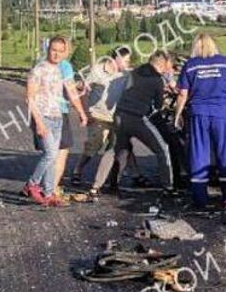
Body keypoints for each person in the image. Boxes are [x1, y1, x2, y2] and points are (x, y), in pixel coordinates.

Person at [174, 34, 226, 210]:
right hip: (222, 113)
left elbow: (183, 93)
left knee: (199, 154)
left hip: (199, 113)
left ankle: (200, 199)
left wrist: (177, 115)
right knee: (225, 154)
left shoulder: (190, 65)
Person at [89, 49, 176, 198]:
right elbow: (159, 105)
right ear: (162, 64)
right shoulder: (157, 80)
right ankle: (168, 186)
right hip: (137, 118)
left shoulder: (135, 71)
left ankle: (96, 186)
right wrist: (165, 92)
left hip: (119, 115)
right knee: (163, 149)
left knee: (115, 150)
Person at [23, 36, 86, 206]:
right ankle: (32, 184)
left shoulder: (60, 69)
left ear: (65, 52)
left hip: (57, 117)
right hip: (43, 118)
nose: (56, 54)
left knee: (53, 156)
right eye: (53, 50)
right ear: (48, 50)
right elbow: (30, 98)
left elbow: (70, 91)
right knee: (50, 154)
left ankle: (49, 193)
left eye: (60, 51)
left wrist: (81, 112)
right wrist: (39, 123)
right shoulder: (39, 70)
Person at [70, 46, 131, 187]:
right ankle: (77, 170)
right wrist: (85, 113)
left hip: (115, 116)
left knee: (119, 147)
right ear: (117, 58)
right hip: (97, 115)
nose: (128, 64)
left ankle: (117, 178)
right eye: (126, 60)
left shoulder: (125, 75)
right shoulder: (97, 70)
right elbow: (84, 92)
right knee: (94, 146)